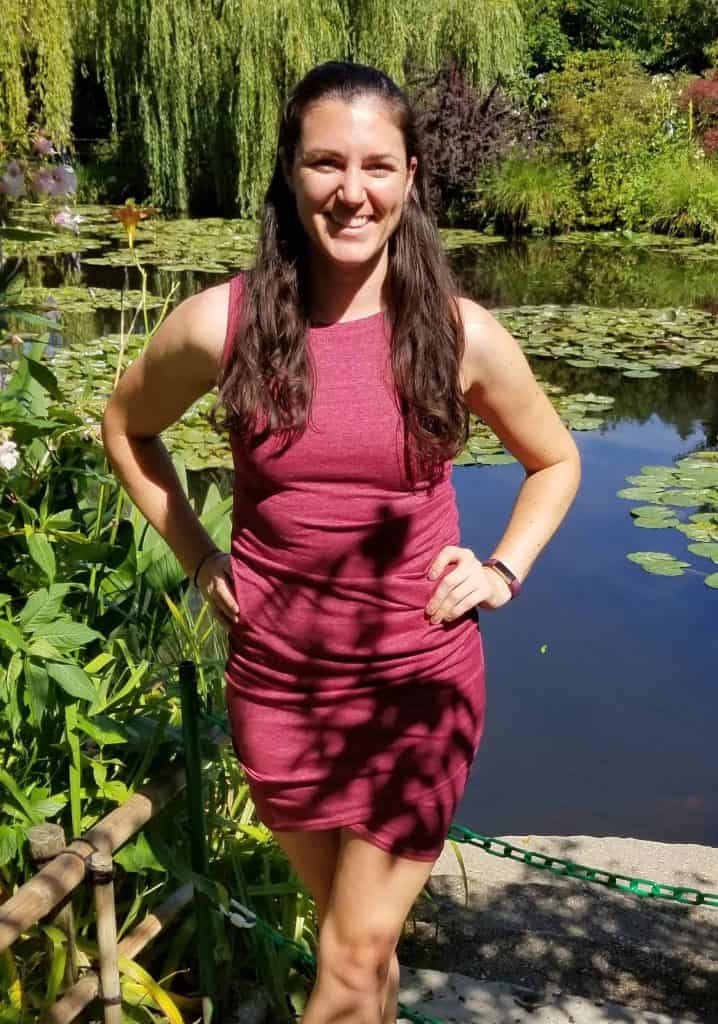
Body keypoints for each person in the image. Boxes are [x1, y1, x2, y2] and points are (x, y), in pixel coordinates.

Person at [102, 60, 580, 1024]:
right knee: (357, 946)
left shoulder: (459, 334)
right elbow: (125, 426)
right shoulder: (219, 326)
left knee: (353, 955)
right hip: (278, 685)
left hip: (417, 684)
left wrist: (499, 570)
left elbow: (556, 461)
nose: (351, 191)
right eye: (326, 162)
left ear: (411, 178)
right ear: (290, 172)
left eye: (377, 165)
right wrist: (200, 555)